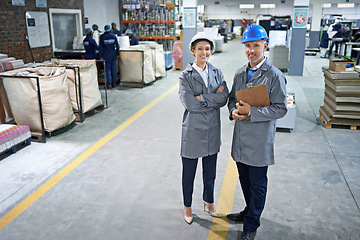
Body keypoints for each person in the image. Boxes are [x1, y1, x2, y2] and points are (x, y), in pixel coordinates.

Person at [226, 24, 287, 240]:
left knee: (258, 183)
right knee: (244, 179)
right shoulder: (240, 72)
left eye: (256, 45)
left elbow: (281, 108)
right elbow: (232, 98)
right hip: (241, 138)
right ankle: (248, 211)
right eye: (248, 46)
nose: (251, 50)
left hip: (260, 140)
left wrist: (252, 111)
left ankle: (251, 225)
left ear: (265, 45)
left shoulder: (274, 76)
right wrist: (233, 110)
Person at [178, 32, 229, 224]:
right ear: (192, 51)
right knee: (188, 174)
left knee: (210, 173)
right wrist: (212, 98)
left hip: (212, 130)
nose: (204, 52)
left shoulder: (217, 72)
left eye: (207, 49)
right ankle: (188, 207)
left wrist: (203, 98)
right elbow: (190, 104)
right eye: (200, 48)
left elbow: (224, 98)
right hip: (192, 130)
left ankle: (209, 202)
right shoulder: (186, 76)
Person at [99, 24, 120, 88]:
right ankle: (114, 84)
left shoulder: (102, 37)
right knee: (114, 70)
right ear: (110, 29)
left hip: (106, 55)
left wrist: (100, 56)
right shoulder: (113, 36)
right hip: (113, 55)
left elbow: (100, 47)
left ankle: (109, 84)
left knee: (107, 70)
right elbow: (117, 46)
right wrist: (118, 54)